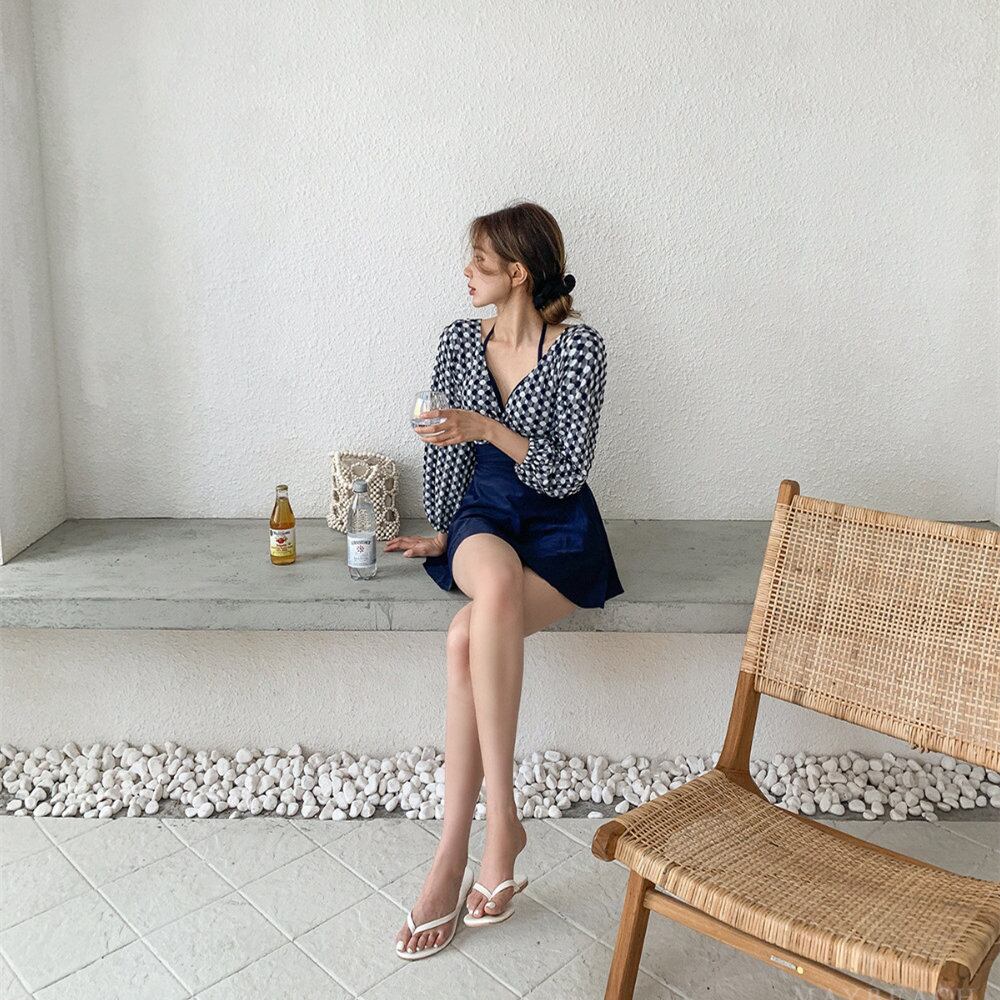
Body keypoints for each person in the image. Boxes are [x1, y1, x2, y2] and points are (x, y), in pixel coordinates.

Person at [384, 201, 624, 958]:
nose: (467, 273)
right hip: (482, 517)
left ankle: (467, 845)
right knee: (488, 585)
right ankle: (492, 832)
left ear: (517, 272)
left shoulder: (580, 350)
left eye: (480, 263)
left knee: (464, 639)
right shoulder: (460, 341)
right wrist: (444, 530)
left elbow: (565, 472)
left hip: (560, 528)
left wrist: (488, 426)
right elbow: (444, 450)